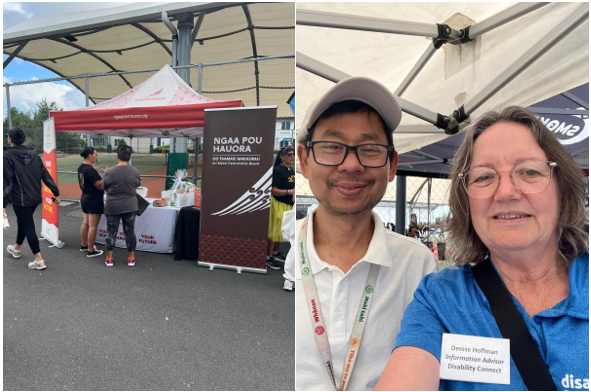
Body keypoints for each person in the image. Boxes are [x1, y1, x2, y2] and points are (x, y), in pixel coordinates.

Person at [375, 106, 589, 391]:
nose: (506, 192)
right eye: (484, 177)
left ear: (562, 188)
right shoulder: (440, 299)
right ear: (466, 202)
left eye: (529, 171)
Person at [296, 76, 438, 390]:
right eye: (332, 147)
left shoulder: (418, 264)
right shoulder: (287, 251)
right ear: (304, 160)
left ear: (391, 165)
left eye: (370, 149)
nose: (350, 164)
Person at [3, 127, 61, 270]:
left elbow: (7, 181)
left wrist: (3, 204)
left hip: (20, 200)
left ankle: (39, 260)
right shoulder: (34, 155)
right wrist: (56, 191)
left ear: (10, 139)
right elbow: (45, 175)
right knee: (24, 222)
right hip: (35, 198)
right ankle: (16, 249)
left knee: (28, 226)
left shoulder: (7, 156)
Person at [102, 145, 141, 267]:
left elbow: (104, 186)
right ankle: (131, 257)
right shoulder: (134, 171)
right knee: (129, 232)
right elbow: (137, 185)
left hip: (112, 206)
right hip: (130, 206)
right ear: (129, 157)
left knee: (111, 232)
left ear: (117, 156)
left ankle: (109, 258)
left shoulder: (110, 171)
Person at [266, 145, 295, 270]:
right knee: (274, 231)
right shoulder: (277, 170)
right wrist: (290, 192)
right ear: (282, 156)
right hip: (279, 203)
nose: (292, 157)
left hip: (288, 205)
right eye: (289, 154)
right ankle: (268, 256)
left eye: (293, 154)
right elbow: (274, 190)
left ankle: (276, 253)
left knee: (281, 231)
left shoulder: (290, 170)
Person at [78, 147, 105, 258]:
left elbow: (86, 178)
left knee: (85, 223)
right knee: (93, 226)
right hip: (94, 199)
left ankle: (84, 245)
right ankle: (90, 250)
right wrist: (106, 175)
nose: (96, 157)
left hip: (85, 197)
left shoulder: (82, 167)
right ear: (90, 155)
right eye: (95, 155)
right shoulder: (89, 170)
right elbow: (99, 185)